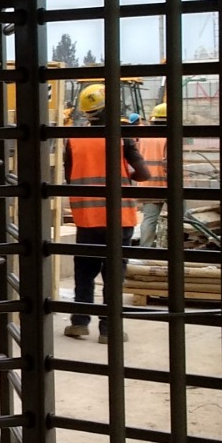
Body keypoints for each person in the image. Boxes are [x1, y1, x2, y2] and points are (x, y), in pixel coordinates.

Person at [64, 84, 150, 344]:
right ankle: (109, 329)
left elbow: (69, 177)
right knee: (113, 274)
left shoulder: (74, 139)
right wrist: (128, 177)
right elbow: (144, 174)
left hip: (87, 219)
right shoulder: (122, 136)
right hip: (118, 217)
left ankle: (79, 323)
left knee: (84, 272)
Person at [136, 102, 170, 248]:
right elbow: (169, 164)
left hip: (147, 184)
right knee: (180, 220)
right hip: (166, 185)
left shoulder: (144, 136)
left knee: (149, 220)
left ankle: (145, 252)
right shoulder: (168, 136)